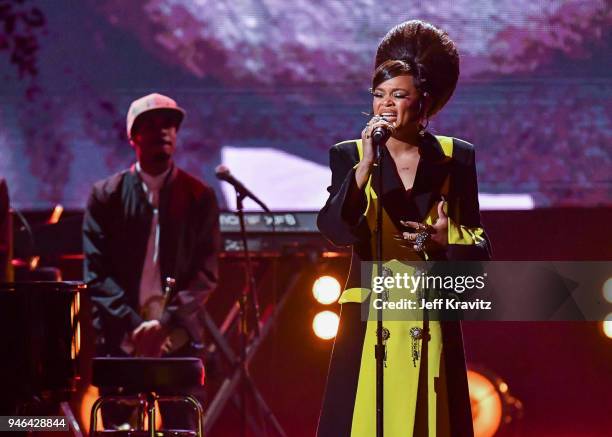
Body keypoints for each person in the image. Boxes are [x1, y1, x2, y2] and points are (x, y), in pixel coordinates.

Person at [316, 20, 491, 437]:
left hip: (429, 314)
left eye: (399, 95)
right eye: (379, 95)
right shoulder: (351, 155)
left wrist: (450, 239)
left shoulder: (455, 157)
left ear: (424, 102)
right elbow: (334, 230)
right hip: (368, 317)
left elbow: (480, 249)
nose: (386, 106)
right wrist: (361, 172)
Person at [83, 93, 220, 427]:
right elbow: (97, 274)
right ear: (133, 136)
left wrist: (165, 324)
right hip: (121, 340)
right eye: (153, 125)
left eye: (170, 125)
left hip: (179, 339)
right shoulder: (106, 196)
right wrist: (135, 325)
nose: (164, 132)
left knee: (181, 426)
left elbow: (206, 273)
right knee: (118, 426)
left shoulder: (199, 196)